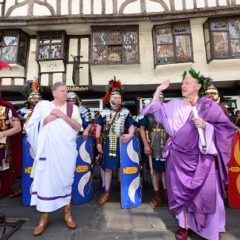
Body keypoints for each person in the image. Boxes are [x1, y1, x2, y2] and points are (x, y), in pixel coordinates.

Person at [141, 68, 235, 240]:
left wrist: (207, 126)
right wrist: (158, 90)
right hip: (177, 158)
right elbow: (153, 110)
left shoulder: (208, 105)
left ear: (198, 86)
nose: (183, 85)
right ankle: (184, 226)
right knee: (180, 192)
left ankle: (209, 228)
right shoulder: (174, 105)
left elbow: (227, 129)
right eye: (182, 83)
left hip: (201, 159)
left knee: (206, 193)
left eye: (187, 83)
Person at [26, 82, 82, 236]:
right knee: (46, 183)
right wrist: (46, 120)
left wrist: (62, 116)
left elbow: (78, 127)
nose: (66, 94)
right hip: (48, 153)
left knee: (66, 181)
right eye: (63, 91)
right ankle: (44, 217)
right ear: (54, 93)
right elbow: (30, 127)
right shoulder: (43, 107)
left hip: (66, 152)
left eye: (67, 91)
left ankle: (67, 213)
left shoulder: (72, 108)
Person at [95, 77, 134, 205]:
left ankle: (124, 192)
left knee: (122, 168)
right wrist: (98, 143)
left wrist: (130, 135)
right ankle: (106, 192)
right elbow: (98, 128)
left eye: (120, 98)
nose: (119, 100)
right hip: (110, 141)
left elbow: (131, 126)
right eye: (116, 98)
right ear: (111, 98)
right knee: (108, 169)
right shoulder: (104, 113)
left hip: (123, 143)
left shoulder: (126, 112)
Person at [138, 93, 168, 206]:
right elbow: (141, 129)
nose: (159, 101)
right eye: (157, 99)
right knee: (154, 170)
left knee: (165, 170)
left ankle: (166, 191)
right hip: (153, 144)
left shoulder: (168, 113)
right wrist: (146, 145)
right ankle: (156, 193)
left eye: (161, 99)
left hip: (166, 144)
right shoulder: (149, 115)